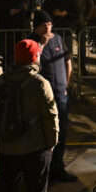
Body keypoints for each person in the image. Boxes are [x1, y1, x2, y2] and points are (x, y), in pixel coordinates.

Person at [0, 39, 59, 192]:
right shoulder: (40, 83)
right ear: (35, 57)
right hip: (36, 149)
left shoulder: (0, 81)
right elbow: (50, 117)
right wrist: (52, 143)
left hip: (8, 149)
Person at [28, 10, 75, 182]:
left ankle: (58, 167)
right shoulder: (31, 41)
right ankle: (43, 170)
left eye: (50, 24)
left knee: (61, 132)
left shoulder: (58, 38)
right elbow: (31, 63)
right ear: (37, 27)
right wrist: (41, 44)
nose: (48, 28)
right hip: (42, 97)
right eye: (44, 25)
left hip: (60, 93)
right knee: (44, 134)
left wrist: (67, 85)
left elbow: (67, 60)